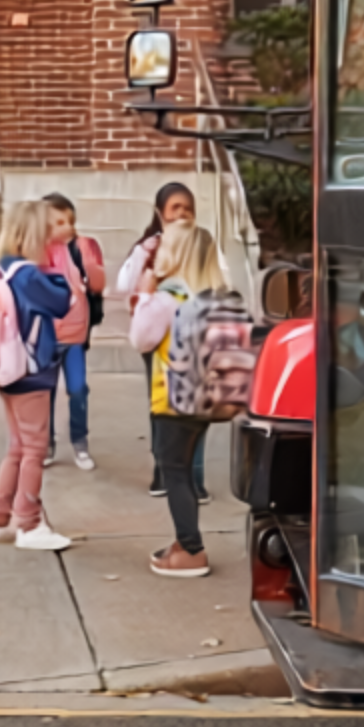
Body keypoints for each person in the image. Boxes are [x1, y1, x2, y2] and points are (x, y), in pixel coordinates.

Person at [130, 221, 227, 578]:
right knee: (184, 470)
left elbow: (140, 339)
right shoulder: (216, 297)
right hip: (207, 400)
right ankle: (184, 542)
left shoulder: (167, 299)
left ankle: (190, 549)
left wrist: (144, 296)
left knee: (175, 473)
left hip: (171, 400)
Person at [0, 197, 72, 552]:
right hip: (32, 371)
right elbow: (62, 301)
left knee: (17, 447)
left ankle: (0, 518)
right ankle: (29, 523)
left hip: (6, 370)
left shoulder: (0, 269)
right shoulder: (30, 275)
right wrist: (60, 267)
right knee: (35, 448)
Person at [114, 182, 207, 501]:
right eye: (174, 208)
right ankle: (164, 473)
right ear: (160, 214)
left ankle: (195, 477)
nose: (182, 213)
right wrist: (147, 267)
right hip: (158, 337)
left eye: (187, 208)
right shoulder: (150, 247)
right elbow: (124, 283)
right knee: (162, 407)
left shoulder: (203, 245)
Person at [41, 191, 105, 472]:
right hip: (45, 335)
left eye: (69, 220)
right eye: (57, 222)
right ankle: (46, 443)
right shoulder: (37, 249)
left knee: (78, 389)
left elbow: (98, 285)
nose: (66, 226)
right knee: (45, 391)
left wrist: (91, 267)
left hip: (75, 335)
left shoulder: (84, 245)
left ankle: (80, 443)